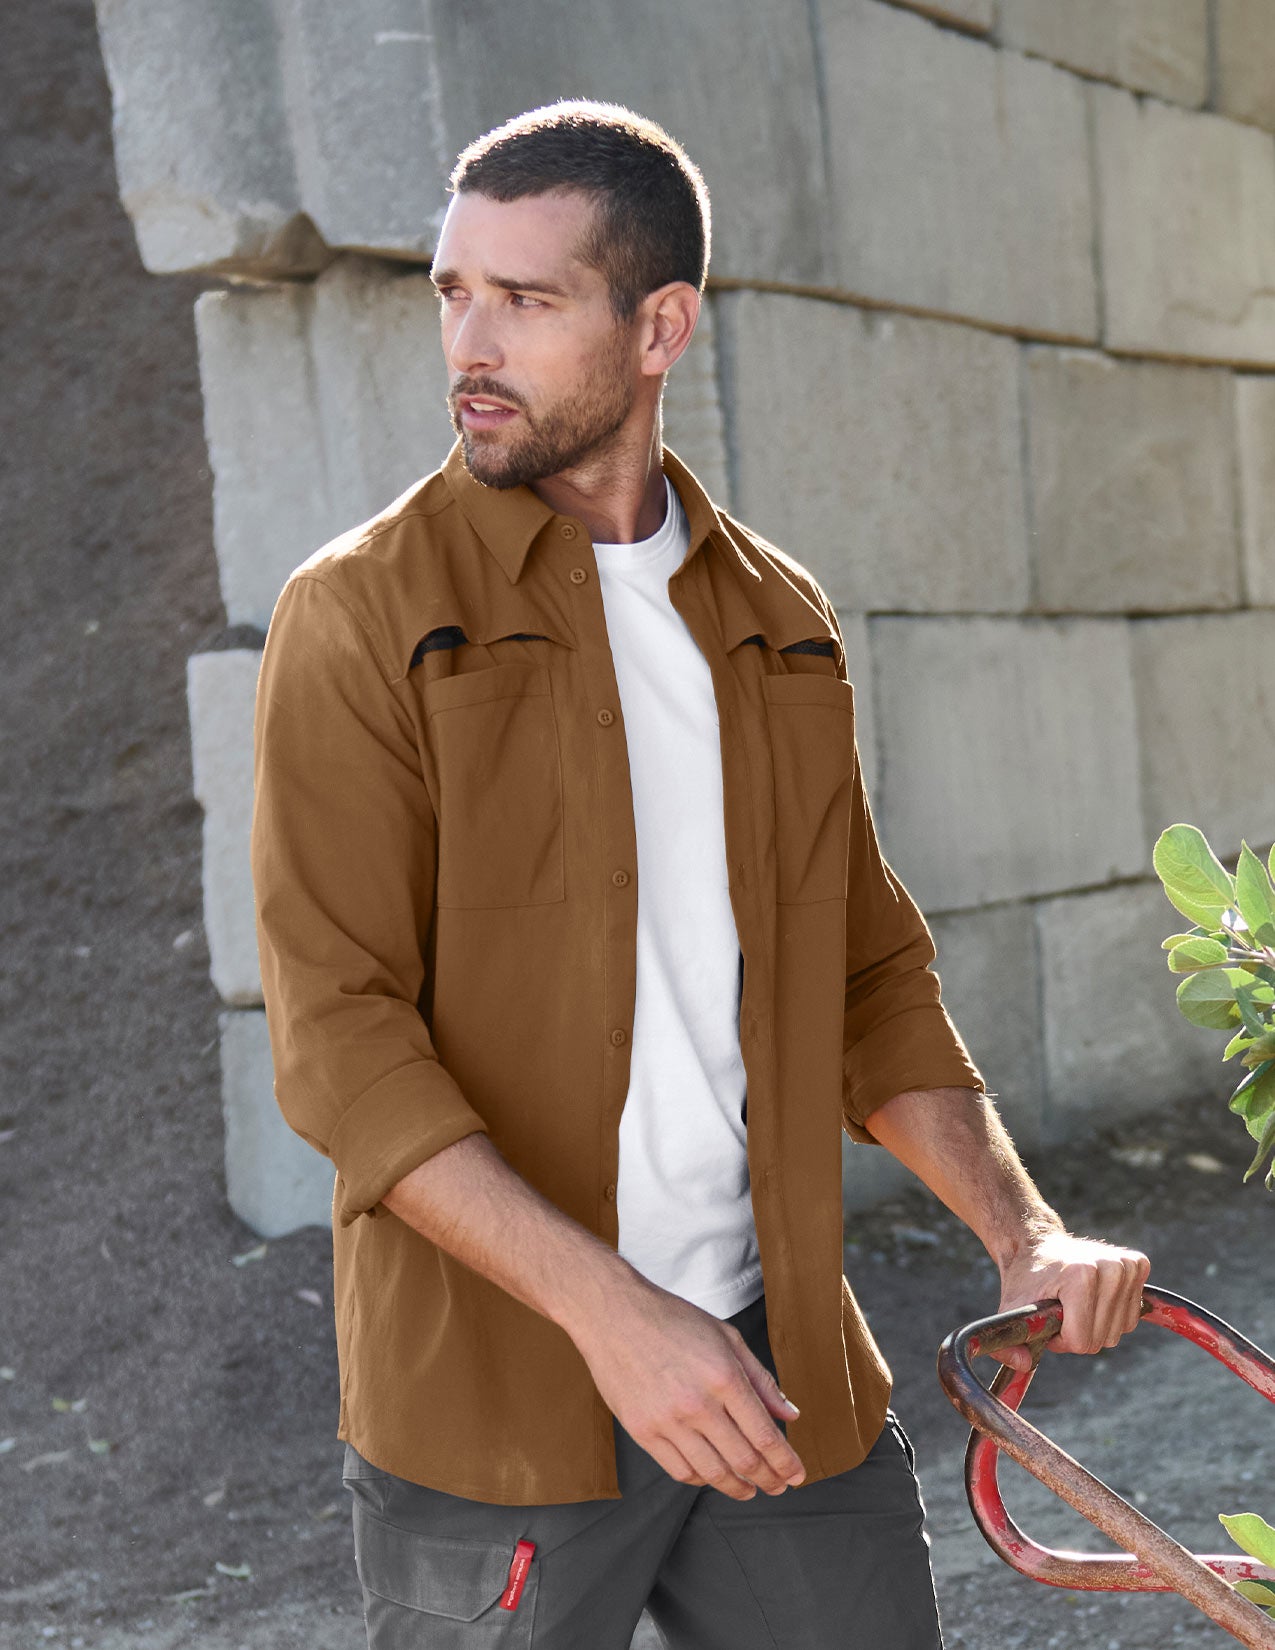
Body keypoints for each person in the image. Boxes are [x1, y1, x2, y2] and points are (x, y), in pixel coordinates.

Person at [250, 100, 1151, 1649]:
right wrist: (616, 1315)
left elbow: (869, 974)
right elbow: (340, 1041)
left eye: (526, 301)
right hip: (500, 1411)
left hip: (776, 1368)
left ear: (660, 323)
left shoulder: (774, 620)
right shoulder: (361, 613)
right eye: (453, 291)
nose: (472, 339)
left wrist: (1025, 1230)